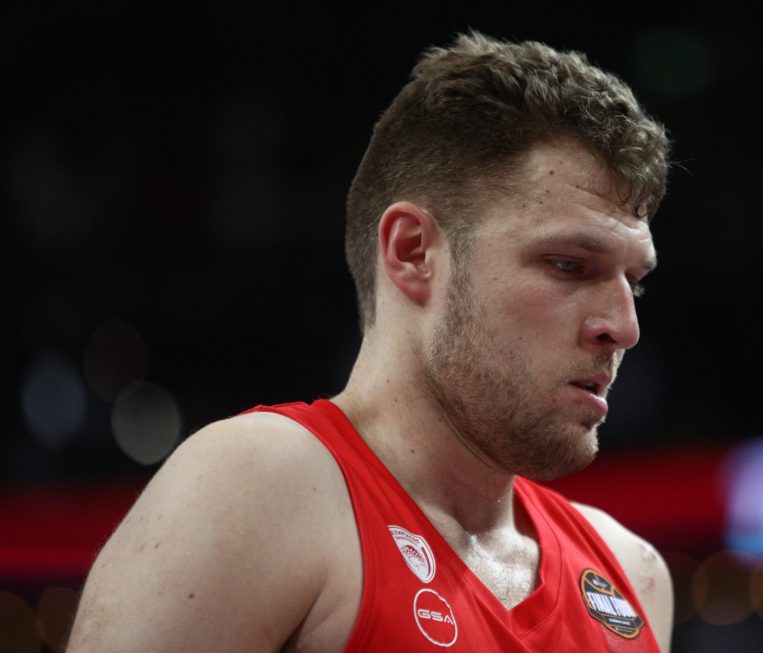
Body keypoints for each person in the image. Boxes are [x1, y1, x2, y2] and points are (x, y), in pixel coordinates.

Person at [67, 31, 673, 652]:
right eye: (569, 265)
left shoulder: (634, 576)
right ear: (413, 253)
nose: (624, 327)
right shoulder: (260, 490)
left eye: (634, 282)